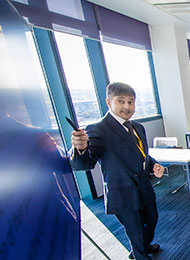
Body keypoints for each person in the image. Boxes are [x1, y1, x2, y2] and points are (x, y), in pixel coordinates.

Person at [70, 82, 166, 260]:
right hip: (122, 192)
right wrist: (80, 149)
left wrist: (154, 165)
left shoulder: (138, 127)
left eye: (131, 102)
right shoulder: (98, 129)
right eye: (121, 101)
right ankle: (139, 255)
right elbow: (84, 163)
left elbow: (142, 155)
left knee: (151, 220)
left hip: (144, 188)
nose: (127, 106)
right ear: (109, 102)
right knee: (135, 230)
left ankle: (142, 247)